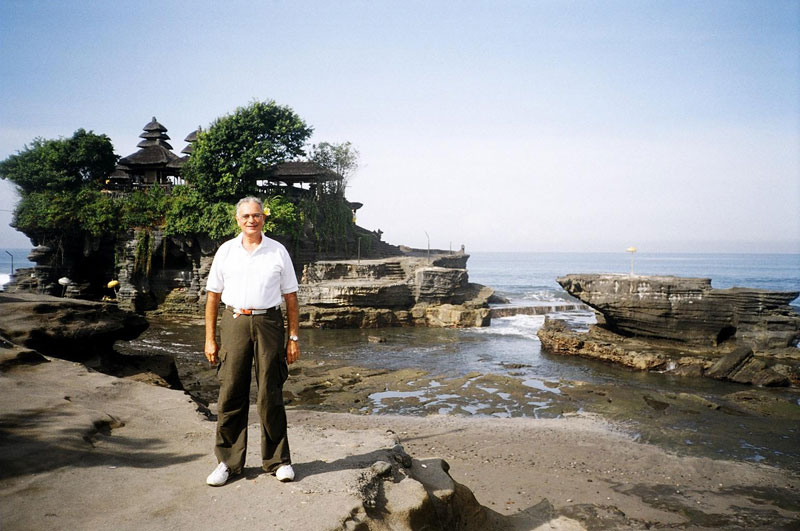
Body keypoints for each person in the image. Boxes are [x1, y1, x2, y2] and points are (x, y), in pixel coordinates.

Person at [204, 196, 301, 486]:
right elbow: (212, 297)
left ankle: (278, 461)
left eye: (256, 215)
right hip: (234, 322)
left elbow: (291, 298)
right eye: (246, 216)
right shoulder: (226, 251)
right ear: (237, 220)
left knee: (270, 391)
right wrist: (210, 339)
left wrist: (293, 337)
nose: (251, 220)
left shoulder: (278, 251)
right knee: (232, 390)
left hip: (269, 322)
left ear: (264, 218)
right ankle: (228, 463)